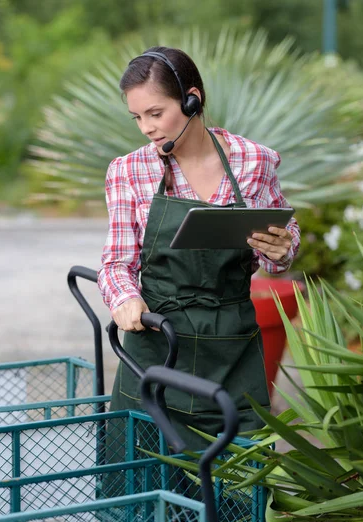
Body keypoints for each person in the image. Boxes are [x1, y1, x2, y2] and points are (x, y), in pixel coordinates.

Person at [98, 45, 300, 448]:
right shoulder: (128, 171)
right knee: (141, 496)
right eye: (138, 117)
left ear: (193, 99)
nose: (147, 128)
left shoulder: (254, 162)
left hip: (232, 356)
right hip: (156, 352)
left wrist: (283, 249)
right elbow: (116, 263)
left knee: (239, 498)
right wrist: (124, 299)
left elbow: (281, 246)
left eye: (156, 113)